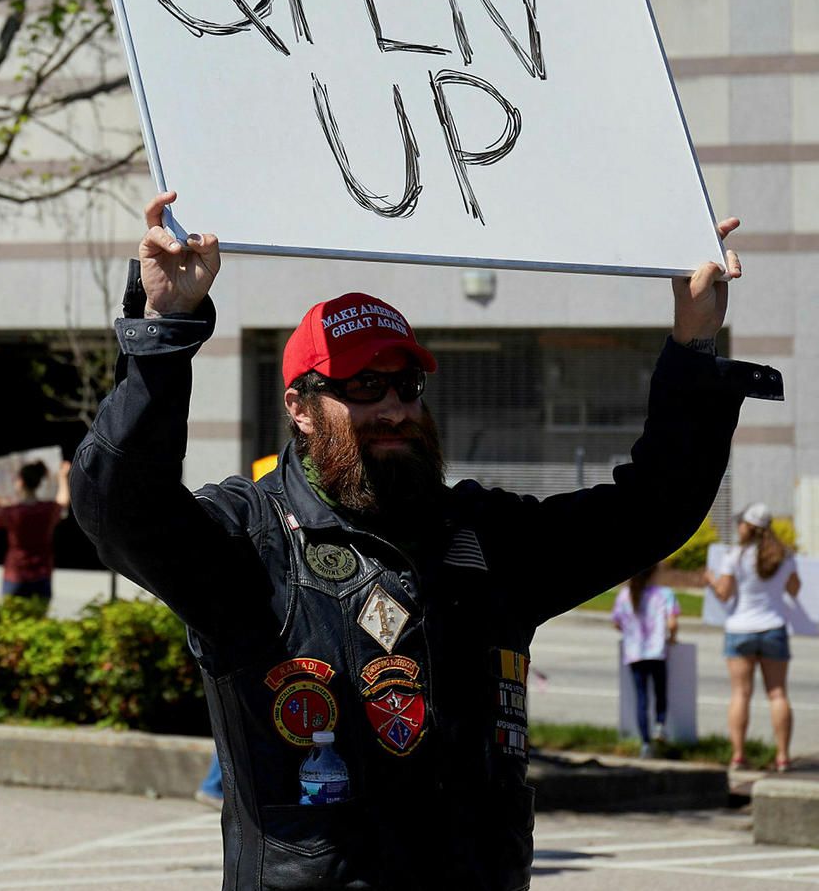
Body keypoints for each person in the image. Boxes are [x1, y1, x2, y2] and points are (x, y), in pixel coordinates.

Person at [71, 190, 780, 889]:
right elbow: (120, 510)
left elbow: (650, 511)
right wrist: (164, 333)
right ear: (301, 408)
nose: (393, 407)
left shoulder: (482, 536)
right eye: (363, 384)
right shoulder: (251, 540)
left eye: (407, 383)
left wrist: (692, 345)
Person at [706, 501, 801, 771]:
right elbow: (794, 590)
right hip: (773, 628)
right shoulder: (784, 555)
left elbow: (724, 594)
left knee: (740, 694)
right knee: (778, 694)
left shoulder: (734, 556)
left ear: (747, 527)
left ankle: (738, 756)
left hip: (739, 629)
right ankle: (782, 756)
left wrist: (711, 580)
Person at [0, 459, 72, 601]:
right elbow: (63, 502)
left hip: (15, 575)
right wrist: (62, 478)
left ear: (20, 482)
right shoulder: (47, 510)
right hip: (42, 575)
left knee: (13, 620)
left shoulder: (13, 513)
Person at [611, 563, 680, 758]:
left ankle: (645, 743)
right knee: (660, 691)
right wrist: (672, 637)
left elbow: (616, 622)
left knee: (641, 698)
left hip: (634, 652)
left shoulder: (625, 595)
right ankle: (660, 725)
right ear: (654, 572)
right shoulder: (664, 594)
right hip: (657, 651)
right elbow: (672, 623)